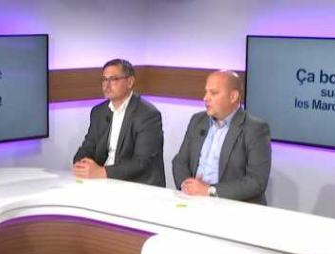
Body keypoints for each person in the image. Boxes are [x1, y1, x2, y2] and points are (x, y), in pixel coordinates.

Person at [172, 70, 272, 204]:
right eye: (206, 92)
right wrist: (186, 184)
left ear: (233, 96)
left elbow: (256, 181)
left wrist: (209, 191)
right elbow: (180, 161)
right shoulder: (197, 120)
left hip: (234, 206)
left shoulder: (255, 129)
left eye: (213, 93)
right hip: (193, 200)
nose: (205, 98)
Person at [72, 58, 165, 187]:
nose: (107, 85)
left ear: (130, 82)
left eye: (113, 79)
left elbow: (141, 162)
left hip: (136, 185)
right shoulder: (99, 112)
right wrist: (80, 164)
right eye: (104, 79)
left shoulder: (147, 115)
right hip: (103, 180)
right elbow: (88, 147)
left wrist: (102, 172)